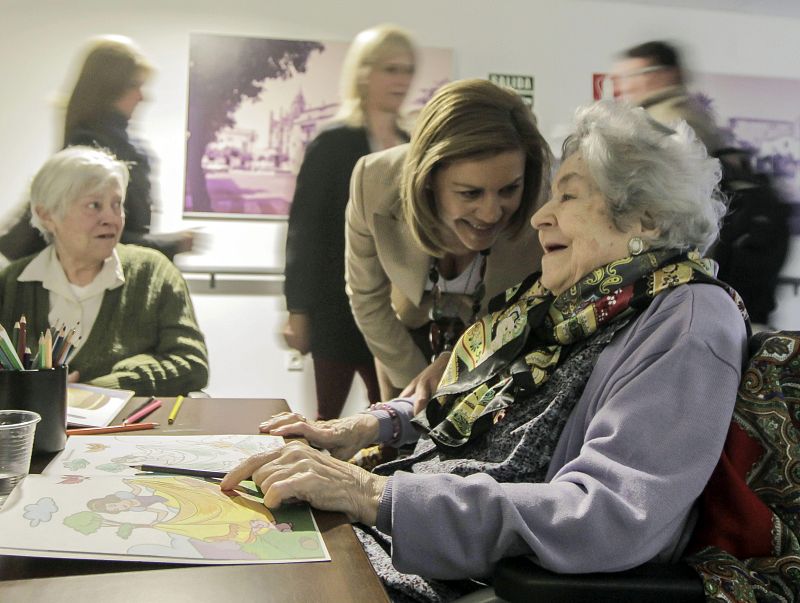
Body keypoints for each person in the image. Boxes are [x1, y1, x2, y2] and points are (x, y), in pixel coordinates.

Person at [223, 100, 749, 602]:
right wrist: (362, 428)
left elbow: (608, 518)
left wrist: (372, 495)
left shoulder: (687, 322)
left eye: (566, 196)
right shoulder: (572, 303)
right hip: (397, 528)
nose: (540, 216)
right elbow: (461, 402)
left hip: (444, 571)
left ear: (645, 221)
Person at [345, 78, 549, 405]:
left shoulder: (545, 205)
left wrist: (455, 369)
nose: (491, 212)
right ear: (428, 180)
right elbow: (367, 298)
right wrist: (417, 385)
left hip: (499, 352)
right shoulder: (373, 181)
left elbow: (533, 311)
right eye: (470, 193)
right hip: (405, 344)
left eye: (509, 190)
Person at [283, 24, 415, 420]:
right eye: (391, 69)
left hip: (401, 311)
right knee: (328, 420)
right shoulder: (333, 142)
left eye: (407, 70)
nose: (401, 80)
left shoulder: (414, 141)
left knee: (399, 420)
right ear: (364, 72)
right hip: (337, 306)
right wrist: (298, 310)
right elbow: (304, 231)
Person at [0, 146, 208, 396]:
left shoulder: (154, 273)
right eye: (94, 205)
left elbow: (192, 364)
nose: (112, 218)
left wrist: (103, 388)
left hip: (126, 431)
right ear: (47, 215)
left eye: (117, 204)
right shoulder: (12, 283)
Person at [0, 35, 195, 264]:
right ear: (110, 87)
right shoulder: (91, 152)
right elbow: (93, 238)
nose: (142, 97)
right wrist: (172, 244)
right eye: (135, 85)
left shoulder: (95, 143)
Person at [612, 40, 723, 153]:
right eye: (618, 79)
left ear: (660, 75)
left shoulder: (670, 122)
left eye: (628, 77)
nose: (621, 87)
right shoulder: (688, 112)